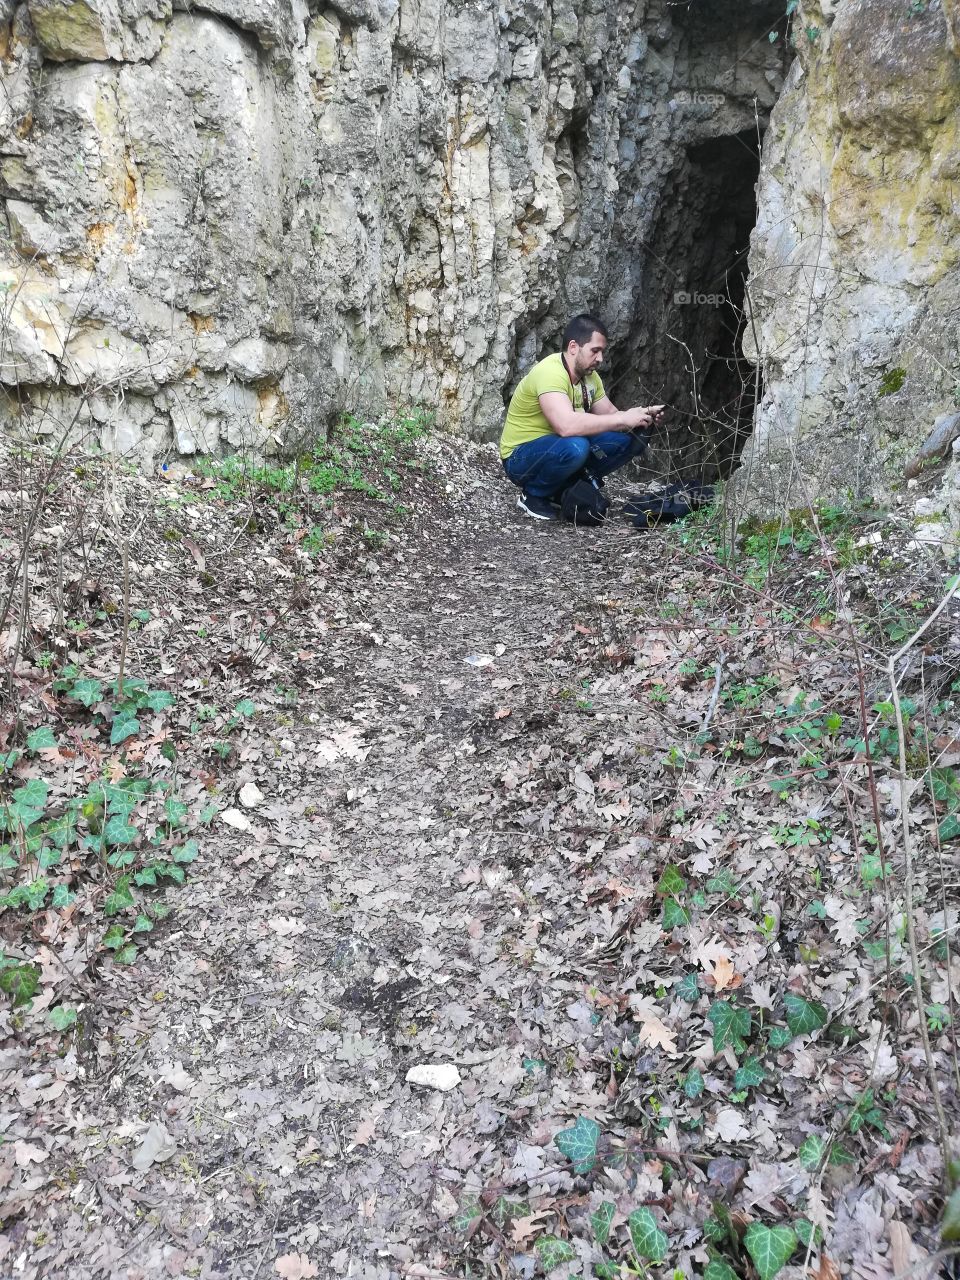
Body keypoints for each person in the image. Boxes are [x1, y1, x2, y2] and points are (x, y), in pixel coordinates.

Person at [500, 313, 665, 520]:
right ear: (573, 347)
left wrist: (642, 417)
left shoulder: (590, 378)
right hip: (520, 458)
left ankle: (565, 486)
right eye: (595, 351)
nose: (600, 359)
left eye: (602, 352)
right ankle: (533, 495)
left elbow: (612, 416)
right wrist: (622, 420)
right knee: (577, 446)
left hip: (558, 447)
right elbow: (566, 426)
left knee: (630, 441)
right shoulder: (550, 372)